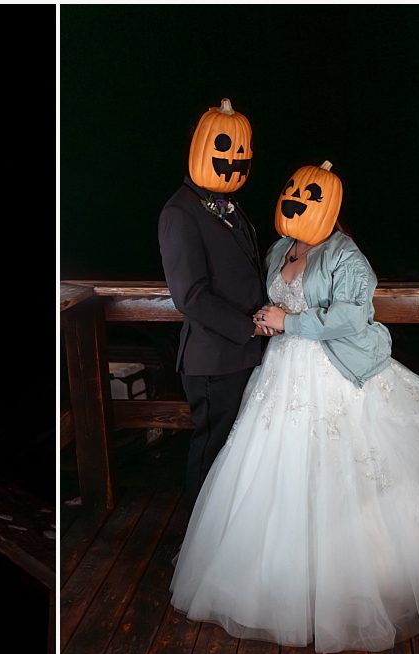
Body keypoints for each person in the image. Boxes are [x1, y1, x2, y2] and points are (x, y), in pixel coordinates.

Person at [169, 163, 419, 653]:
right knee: (269, 468)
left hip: (336, 371)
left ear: (328, 206)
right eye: (291, 190)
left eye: (307, 195)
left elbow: (353, 317)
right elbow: (268, 304)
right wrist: (266, 322)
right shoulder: (279, 249)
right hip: (282, 372)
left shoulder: (346, 256)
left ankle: (363, 584)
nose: (294, 199)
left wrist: (290, 323)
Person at [159, 98, 272, 499]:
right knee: (211, 450)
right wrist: (250, 327)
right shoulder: (180, 213)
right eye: (226, 149)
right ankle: (194, 547)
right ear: (201, 148)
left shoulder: (230, 206)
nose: (237, 158)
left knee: (236, 452)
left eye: (243, 151)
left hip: (243, 354)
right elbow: (190, 295)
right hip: (214, 358)